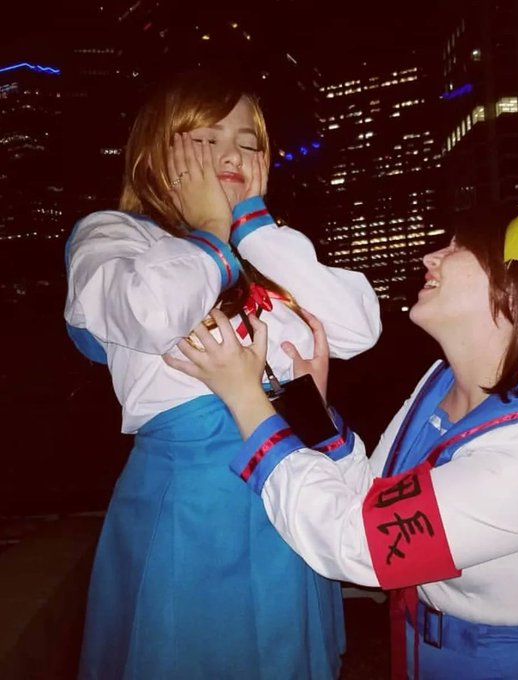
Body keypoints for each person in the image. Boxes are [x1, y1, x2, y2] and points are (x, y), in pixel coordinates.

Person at [165, 201, 518, 679]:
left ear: (516, 288)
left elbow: (358, 545)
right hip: (434, 656)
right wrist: (312, 408)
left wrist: (246, 398)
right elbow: (375, 497)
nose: (429, 257)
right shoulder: (443, 384)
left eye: (457, 249)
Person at [64, 68, 381, 680]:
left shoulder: (265, 252)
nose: (233, 155)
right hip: (194, 499)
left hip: (293, 484)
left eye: (249, 142)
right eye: (207, 139)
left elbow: (355, 329)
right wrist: (212, 233)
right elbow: (151, 312)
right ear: (156, 152)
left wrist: (254, 229)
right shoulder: (113, 235)